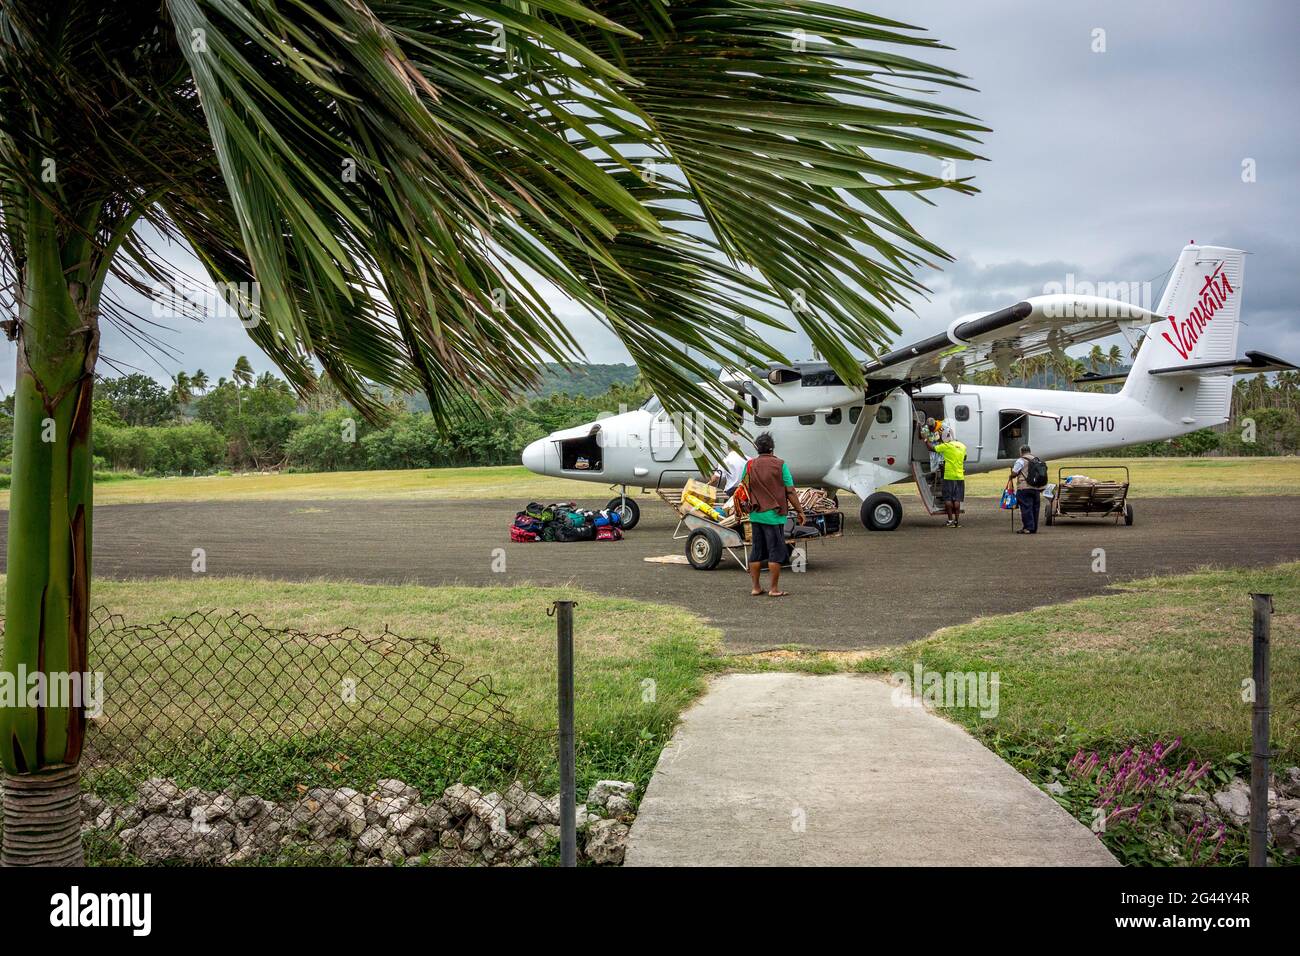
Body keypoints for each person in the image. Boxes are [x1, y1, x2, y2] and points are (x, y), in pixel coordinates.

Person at [740, 431, 805, 597]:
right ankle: (774, 589)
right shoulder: (780, 465)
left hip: (755, 515)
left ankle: (756, 587)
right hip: (774, 516)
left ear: (757, 449)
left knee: (756, 551)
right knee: (775, 552)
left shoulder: (749, 466)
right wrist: (800, 511)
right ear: (772, 449)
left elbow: (743, 489)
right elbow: (790, 491)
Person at [928, 431, 967, 527]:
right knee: (957, 499)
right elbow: (965, 458)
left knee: (948, 499)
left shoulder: (946, 446)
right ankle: (957, 522)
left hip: (949, 476)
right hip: (960, 476)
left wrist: (925, 440)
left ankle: (950, 521)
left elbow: (932, 448)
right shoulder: (962, 446)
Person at [1007, 444, 1043, 534]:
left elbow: (1015, 473)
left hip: (1024, 488)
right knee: (1035, 508)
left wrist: (1010, 476)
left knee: (1026, 508)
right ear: (1029, 451)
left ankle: (1028, 528)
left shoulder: (1021, 460)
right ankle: (1034, 528)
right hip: (1036, 487)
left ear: (1021, 452)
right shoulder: (1036, 459)